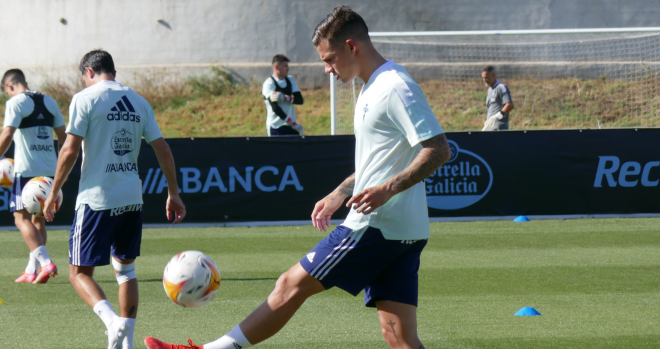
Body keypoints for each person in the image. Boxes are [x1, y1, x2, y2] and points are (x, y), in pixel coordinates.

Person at [144, 6, 450, 349]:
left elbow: (438, 149)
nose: (326, 69)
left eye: (330, 59)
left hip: (376, 225)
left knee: (290, 284)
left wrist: (386, 190)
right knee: (399, 337)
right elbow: (382, 161)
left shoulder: (395, 86)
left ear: (352, 46)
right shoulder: (369, 87)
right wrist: (340, 192)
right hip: (403, 230)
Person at [42, 50, 187, 349]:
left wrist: (55, 189)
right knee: (126, 271)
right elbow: (164, 150)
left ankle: (112, 323)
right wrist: (173, 193)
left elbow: (69, 150)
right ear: (114, 71)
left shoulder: (86, 97)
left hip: (97, 199)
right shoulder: (139, 101)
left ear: (88, 71)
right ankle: (126, 342)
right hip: (132, 197)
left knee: (78, 273)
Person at [1, 69, 67, 284]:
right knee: (39, 221)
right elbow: (64, 138)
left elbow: (7, 135)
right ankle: (32, 270)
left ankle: (46, 263)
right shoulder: (50, 101)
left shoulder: (15, 103)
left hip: (27, 171)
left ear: (9, 86)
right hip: (50, 171)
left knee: (20, 219)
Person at [262, 54, 305, 136]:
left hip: (290, 126)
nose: (288, 69)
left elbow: (300, 100)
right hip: (276, 127)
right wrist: (291, 122)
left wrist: (286, 98)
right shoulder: (269, 83)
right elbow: (275, 107)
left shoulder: (290, 80)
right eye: (285, 66)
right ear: (277, 67)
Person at [481, 65, 514, 131]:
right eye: (483, 78)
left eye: (487, 78)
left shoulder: (501, 88)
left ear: (493, 75)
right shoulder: (490, 90)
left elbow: (510, 105)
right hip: (490, 127)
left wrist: (498, 116)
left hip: (499, 128)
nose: (485, 80)